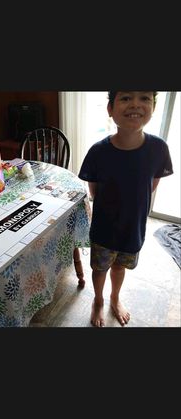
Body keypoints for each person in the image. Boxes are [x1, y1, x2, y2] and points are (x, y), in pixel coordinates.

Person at [78, 91, 173, 327]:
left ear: (153, 107)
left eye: (144, 98)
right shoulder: (98, 152)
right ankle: (98, 300)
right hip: (104, 228)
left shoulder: (158, 149)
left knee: (120, 266)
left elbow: (151, 186)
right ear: (110, 109)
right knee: (99, 268)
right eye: (126, 97)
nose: (135, 104)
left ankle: (114, 297)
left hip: (133, 227)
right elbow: (94, 191)